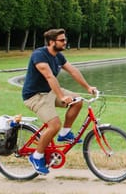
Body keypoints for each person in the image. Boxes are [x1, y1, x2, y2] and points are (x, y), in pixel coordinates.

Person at [21, 28, 98, 175]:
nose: (65, 42)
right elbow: (50, 77)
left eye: (65, 39)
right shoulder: (39, 55)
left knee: (77, 101)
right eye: (62, 40)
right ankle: (36, 156)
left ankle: (65, 133)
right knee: (54, 125)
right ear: (51, 42)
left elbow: (73, 70)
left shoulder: (58, 56)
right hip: (35, 96)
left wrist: (88, 87)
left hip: (49, 92)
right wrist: (62, 97)